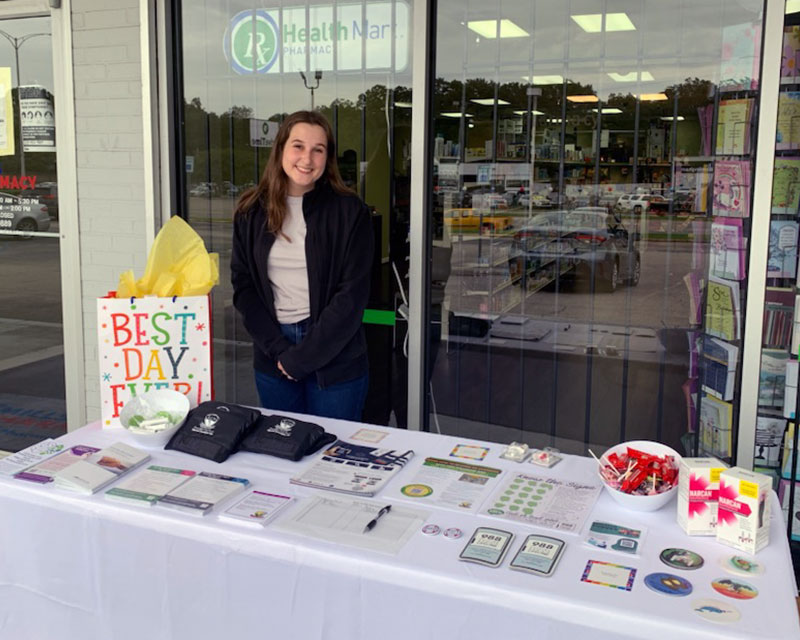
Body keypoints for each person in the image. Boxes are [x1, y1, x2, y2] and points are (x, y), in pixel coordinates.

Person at [231, 110, 373, 421]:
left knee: (332, 457)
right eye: (298, 146)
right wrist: (279, 351)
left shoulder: (351, 213)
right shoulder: (250, 212)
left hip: (336, 359)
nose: (306, 158)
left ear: (327, 157)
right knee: (282, 453)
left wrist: (304, 357)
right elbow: (244, 288)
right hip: (273, 353)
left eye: (318, 149)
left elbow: (352, 295)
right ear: (280, 148)